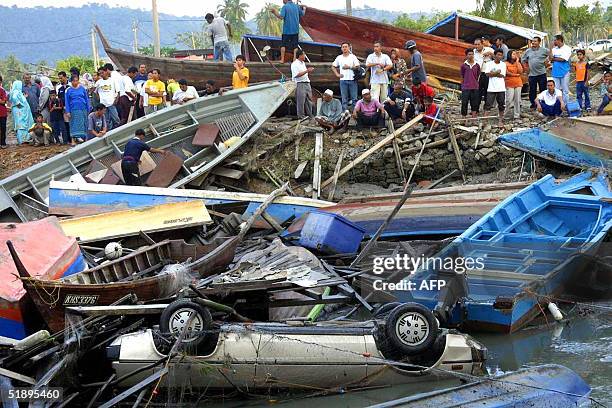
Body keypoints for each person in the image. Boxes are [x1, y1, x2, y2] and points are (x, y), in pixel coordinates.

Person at [521, 36, 549, 110]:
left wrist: (547, 62)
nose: (533, 42)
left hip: (542, 73)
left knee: (543, 90)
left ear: (539, 42)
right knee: (532, 90)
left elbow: (551, 56)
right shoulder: (528, 51)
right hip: (532, 74)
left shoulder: (544, 50)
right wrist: (526, 68)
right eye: (532, 41)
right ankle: (533, 104)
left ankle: (543, 104)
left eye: (535, 41)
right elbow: (523, 60)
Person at [331, 42, 360, 110]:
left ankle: (354, 113)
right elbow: (333, 66)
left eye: (346, 47)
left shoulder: (352, 56)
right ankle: (345, 114)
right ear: (341, 48)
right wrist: (337, 74)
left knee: (354, 98)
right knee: (344, 99)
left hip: (352, 79)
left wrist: (349, 67)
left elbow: (358, 67)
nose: (344, 48)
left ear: (349, 47)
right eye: (343, 47)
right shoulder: (339, 57)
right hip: (343, 80)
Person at [65, 74, 91, 146]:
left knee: (84, 123)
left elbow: (86, 99)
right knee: (73, 124)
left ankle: (85, 138)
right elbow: (67, 101)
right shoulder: (68, 90)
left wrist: (88, 108)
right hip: (73, 109)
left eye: (77, 81)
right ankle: (73, 140)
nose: (75, 82)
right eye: (74, 81)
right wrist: (68, 111)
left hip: (83, 109)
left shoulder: (82, 89)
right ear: (71, 81)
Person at [483, 49, 507, 126]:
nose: (499, 56)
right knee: (488, 105)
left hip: (501, 88)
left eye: (501, 55)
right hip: (491, 88)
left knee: (501, 105)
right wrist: (497, 72)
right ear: (494, 55)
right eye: (498, 55)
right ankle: (485, 121)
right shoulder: (489, 64)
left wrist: (492, 73)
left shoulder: (503, 64)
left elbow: (502, 75)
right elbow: (487, 74)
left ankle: (500, 120)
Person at [9, 80, 34, 144]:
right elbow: (14, 98)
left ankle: (24, 139)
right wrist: (18, 104)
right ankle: (22, 140)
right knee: (21, 125)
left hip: (20, 111)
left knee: (21, 124)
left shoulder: (17, 92)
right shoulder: (16, 91)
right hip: (19, 111)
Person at [291, 49, 314, 119]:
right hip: (300, 83)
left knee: (309, 99)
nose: (305, 56)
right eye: (304, 54)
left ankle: (310, 115)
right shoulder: (294, 64)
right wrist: (307, 70)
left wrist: (307, 71)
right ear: (300, 56)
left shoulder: (303, 63)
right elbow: (296, 75)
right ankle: (301, 116)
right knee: (301, 101)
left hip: (307, 82)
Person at [550, 34, 571, 105]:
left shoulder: (567, 48)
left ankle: (565, 105)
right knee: (556, 90)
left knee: (565, 90)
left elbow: (563, 59)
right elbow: (551, 59)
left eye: (555, 40)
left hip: (564, 72)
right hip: (555, 72)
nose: (554, 42)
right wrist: (553, 58)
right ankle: (558, 105)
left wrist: (554, 59)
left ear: (559, 40)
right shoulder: (554, 49)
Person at [460, 48, 481, 118]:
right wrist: (463, 85)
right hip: (465, 87)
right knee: (464, 103)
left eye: (472, 54)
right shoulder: (463, 65)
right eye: (469, 54)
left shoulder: (477, 65)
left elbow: (478, 75)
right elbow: (462, 75)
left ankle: (473, 117)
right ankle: (463, 118)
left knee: (474, 103)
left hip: (475, 86)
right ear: (466, 55)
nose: (471, 56)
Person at [473, 38, 494, 106]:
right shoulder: (473, 52)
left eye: (478, 44)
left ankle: (486, 107)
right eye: (475, 44)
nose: (477, 46)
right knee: (477, 91)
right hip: (478, 74)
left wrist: (491, 54)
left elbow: (498, 58)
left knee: (487, 90)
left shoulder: (489, 49)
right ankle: (476, 108)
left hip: (487, 73)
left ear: (482, 44)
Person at [505, 50, 524, 120]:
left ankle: (516, 115)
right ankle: (503, 114)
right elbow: (506, 73)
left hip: (518, 83)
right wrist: (515, 75)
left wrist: (517, 61)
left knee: (517, 100)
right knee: (509, 100)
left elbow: (521, 71)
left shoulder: (517, 63)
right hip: (509, 83)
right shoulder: (505, 63)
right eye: (513, 54)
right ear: (509, 55)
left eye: (516, 54)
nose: (515, 55)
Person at [55, 71, 71, 142]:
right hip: (63, 109)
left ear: (65, 77)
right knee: (66, 123)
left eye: (61, 78)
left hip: (71, 108)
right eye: (59, 78)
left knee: (72, 123)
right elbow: (58, 98)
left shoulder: (71, 85)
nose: (60, 79)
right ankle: (68, 138)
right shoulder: (58, 87)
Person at [0, 75, 7, 148]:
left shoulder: (2, 90)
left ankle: (3, 143)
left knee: (3, 128)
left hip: (2, 113)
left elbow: (4, 101)